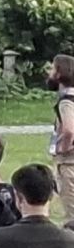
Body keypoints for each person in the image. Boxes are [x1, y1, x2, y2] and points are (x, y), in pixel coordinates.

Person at [50, 55, 74, 224]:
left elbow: (69, 130)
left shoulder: (66, 101)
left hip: (69, 163)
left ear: (60, 73)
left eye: (52, 68)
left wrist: (63, 148)